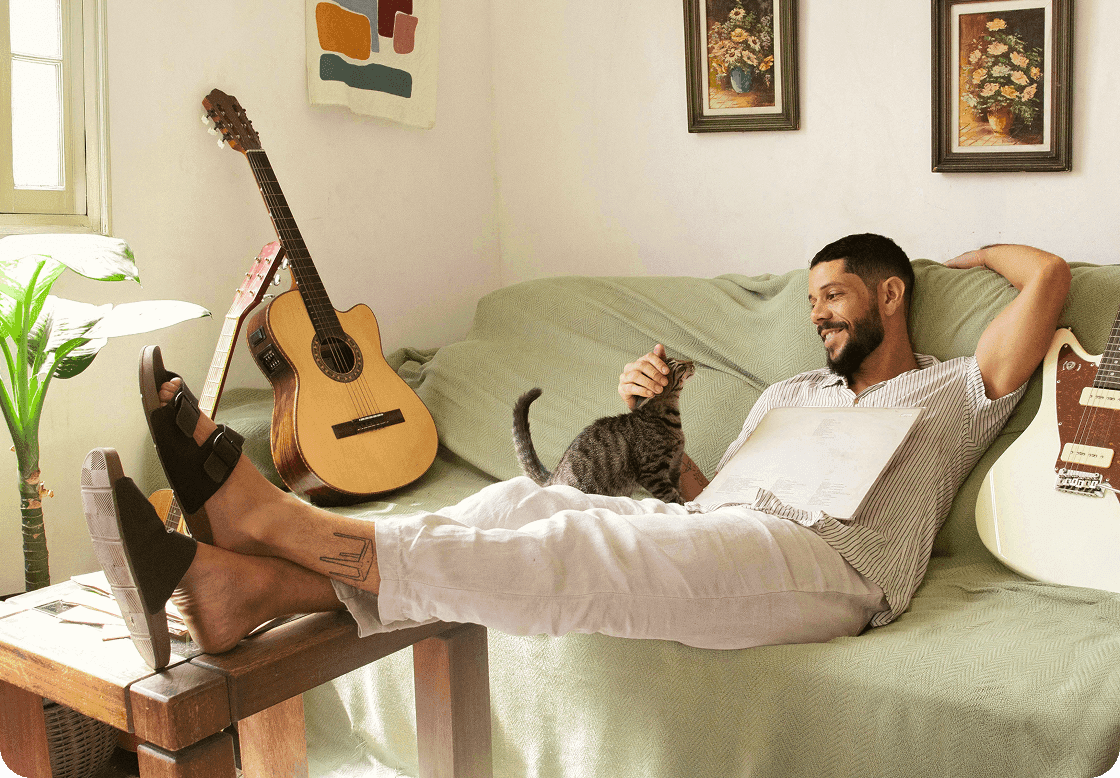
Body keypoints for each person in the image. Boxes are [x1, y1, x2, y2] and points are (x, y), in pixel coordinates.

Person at [82, 234, 1071, 669]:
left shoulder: (950, 388)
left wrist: (978, 257)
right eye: (810, 300)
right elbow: (703, 501)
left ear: (890, 294)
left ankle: (281, 526)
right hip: (729, 526)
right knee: (516, 507)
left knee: (580, 553)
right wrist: (655, 423)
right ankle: (240, 593)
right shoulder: (789, 392)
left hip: (832, 566)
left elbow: (1050, 281)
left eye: (834, 294)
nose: (816, 315)